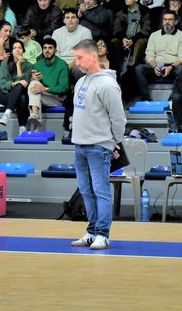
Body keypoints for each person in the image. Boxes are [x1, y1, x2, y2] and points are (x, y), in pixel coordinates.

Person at [69, 39, 126, 251]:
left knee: (101, 191)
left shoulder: (107, 84)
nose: (77, 62)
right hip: (80, 145)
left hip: (99, 146)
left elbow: (118, 118)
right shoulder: (81, 82)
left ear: (93, 56)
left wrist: (113, 142)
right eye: (75, 58)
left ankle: (103, 234)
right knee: (86, 190)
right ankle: (92, 231)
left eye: (80, 57)